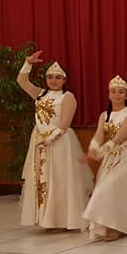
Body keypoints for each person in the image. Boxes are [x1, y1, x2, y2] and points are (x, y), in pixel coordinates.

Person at [17, 51, 92, 230]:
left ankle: (64, 219)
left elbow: (65, 124)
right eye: (50, 77)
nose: (53, 80)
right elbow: (22, 81)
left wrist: (48, 139)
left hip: (59, 142)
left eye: (58, 77)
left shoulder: (68, 97)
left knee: (60, 178)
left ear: (64, 80)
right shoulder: (40, 94)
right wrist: (28, 63)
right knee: (43, 178)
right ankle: (46, 219)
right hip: (40, 140)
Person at [81, 75, 127, 241]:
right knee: (105, 190)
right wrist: (92, 148)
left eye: (121, 92)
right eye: (113, 91)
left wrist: (99, 153)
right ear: (108, 94)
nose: (117, 95)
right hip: (111, 158)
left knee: (114, 189)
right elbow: (99, 135)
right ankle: (110, 225)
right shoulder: (104, 115)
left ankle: (118, 226)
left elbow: (119, 137)